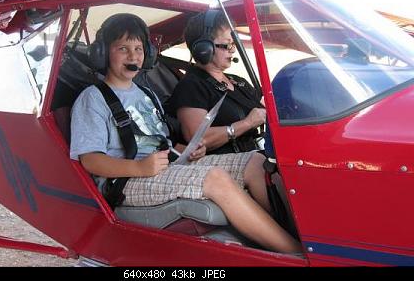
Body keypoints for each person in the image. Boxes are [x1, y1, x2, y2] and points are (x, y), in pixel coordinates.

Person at [70, 13, 302, 254]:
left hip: (162, 167)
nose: (133, 56)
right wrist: (138, 168)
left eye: (139, 48)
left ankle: (289, 232)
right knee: (215, 178)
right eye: (123, 48)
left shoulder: (146, 94)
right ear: (103, 53)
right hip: (126, 181)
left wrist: (186, 151)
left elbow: (161, 142)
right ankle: (292, 252)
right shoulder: (93, 99)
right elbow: (90, 161)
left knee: (256, 161)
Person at [169, 10, 266, 155]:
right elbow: (196, 138)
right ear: (204, 48)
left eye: (234, 44)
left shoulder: (239, 82)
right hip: (221, 164)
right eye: (227, 45)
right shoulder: (191, 86)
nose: (233, 50)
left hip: (256, 154)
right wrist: (247, 123)